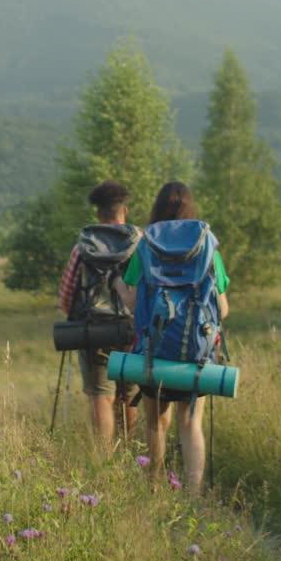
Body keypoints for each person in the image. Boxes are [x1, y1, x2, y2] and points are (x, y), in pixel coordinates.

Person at [117, 181, 229, 491]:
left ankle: (153, 485)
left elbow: (130, 302)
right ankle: (193, 495)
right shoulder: (208, 246)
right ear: (191, 210)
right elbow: (223, 308)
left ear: (157, 209)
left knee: (156, 423)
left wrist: (116, 285)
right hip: (196, 355)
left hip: (154, 352)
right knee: (191, 423)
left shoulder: (145, 246)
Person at [56, 180, 141, 443]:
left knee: (101, 394)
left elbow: (66, 295)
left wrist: (76, 317)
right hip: (132, 328)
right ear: (124, 210)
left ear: (98, 214)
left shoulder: (83, 246)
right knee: (129, 393)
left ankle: (104, 460)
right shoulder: (140, 243)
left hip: (94, 331)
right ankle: (129, 452)